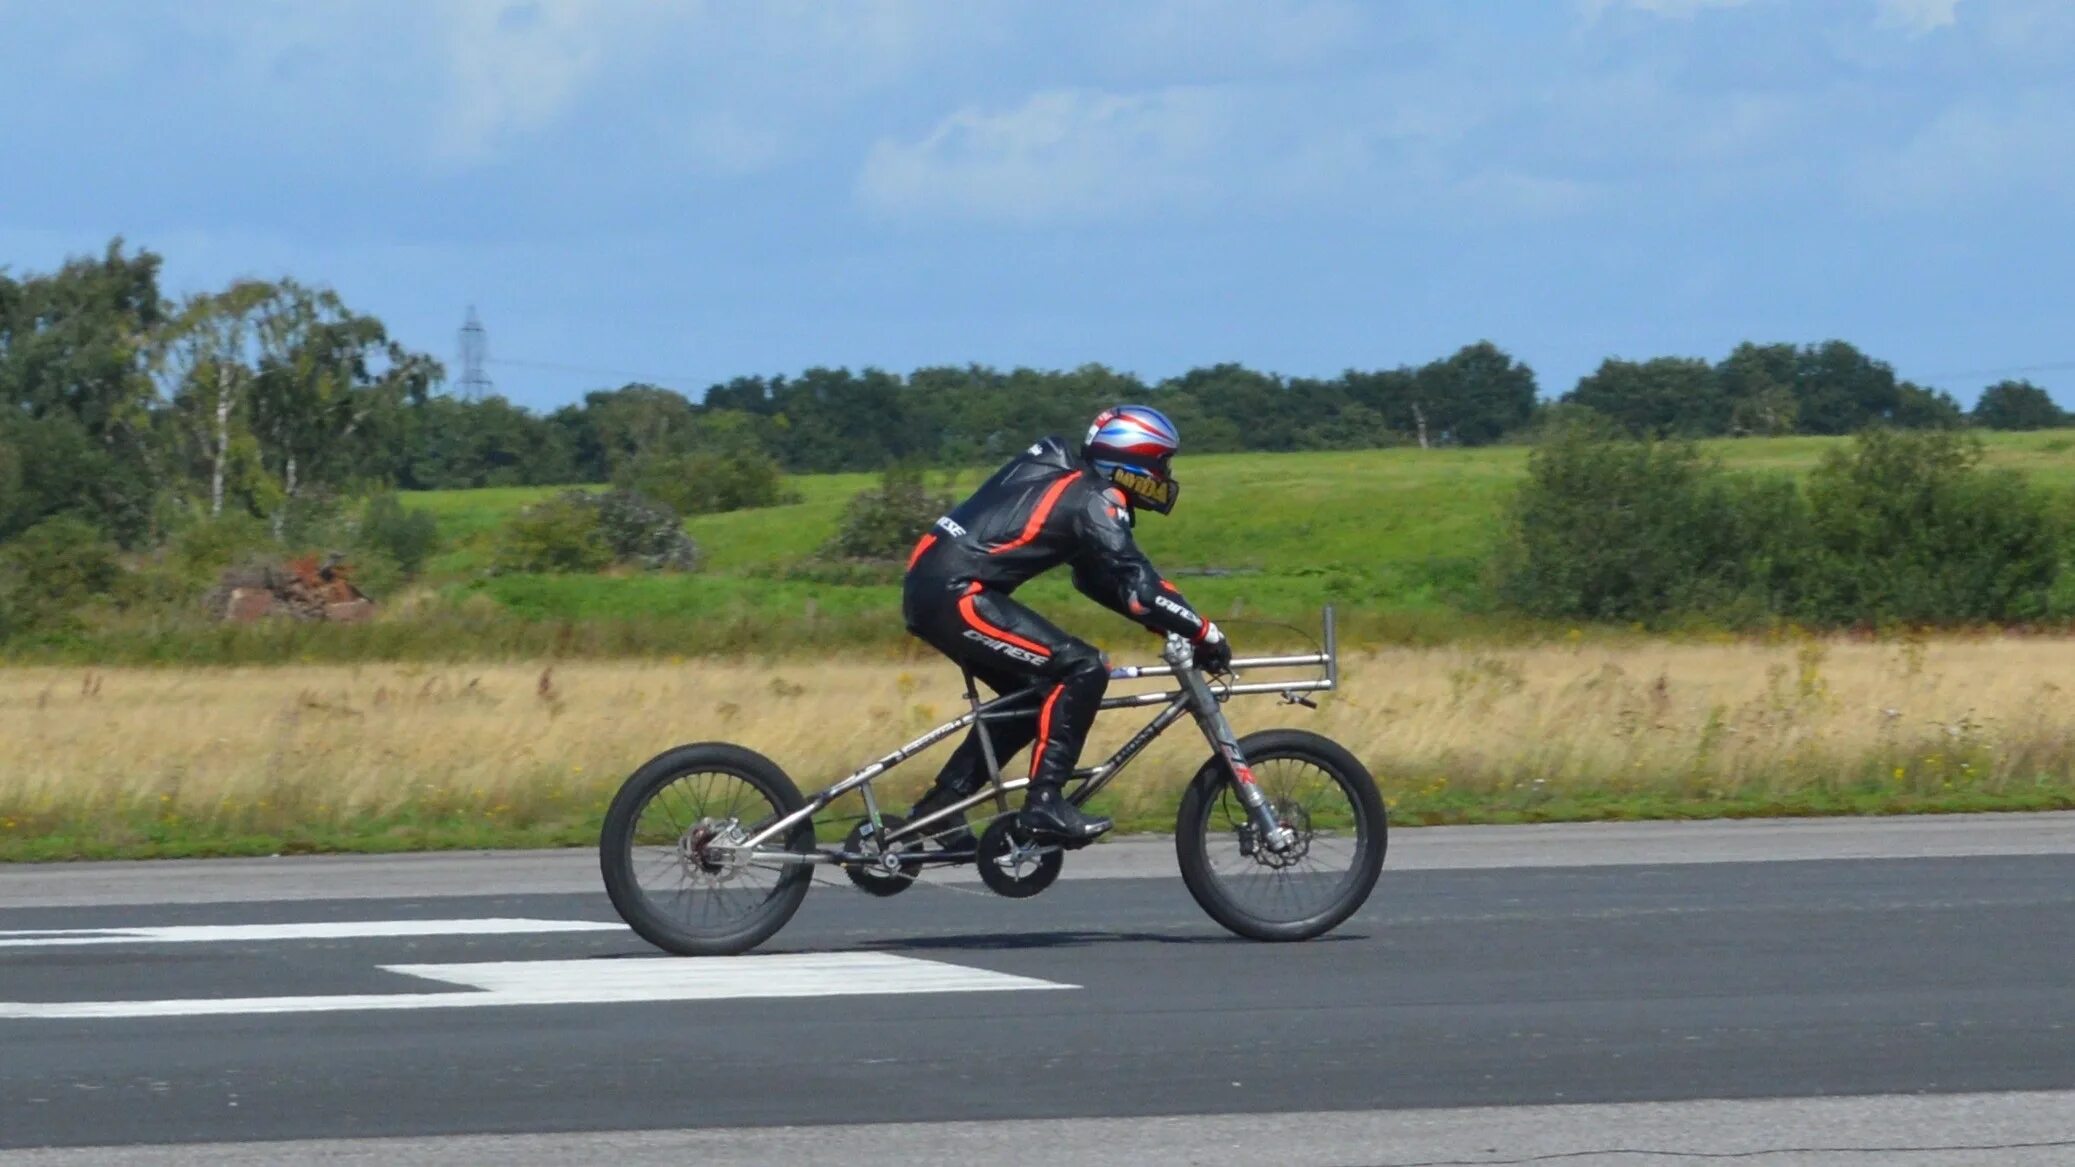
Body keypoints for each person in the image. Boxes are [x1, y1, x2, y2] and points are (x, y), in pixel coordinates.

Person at [900, 404, 1232, 853]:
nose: (1164, 475)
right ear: (1132, 462)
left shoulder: (1073, 482)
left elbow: (1105, 583)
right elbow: (1141, 590)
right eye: (1160, 463)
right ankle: (1043, 804)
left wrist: (1171, 627)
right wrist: (1205, 632)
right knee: (1083, 668)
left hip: (938, 587)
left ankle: (937, 809)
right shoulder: (1094, 499)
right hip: (956, 593)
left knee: (1038, 694)